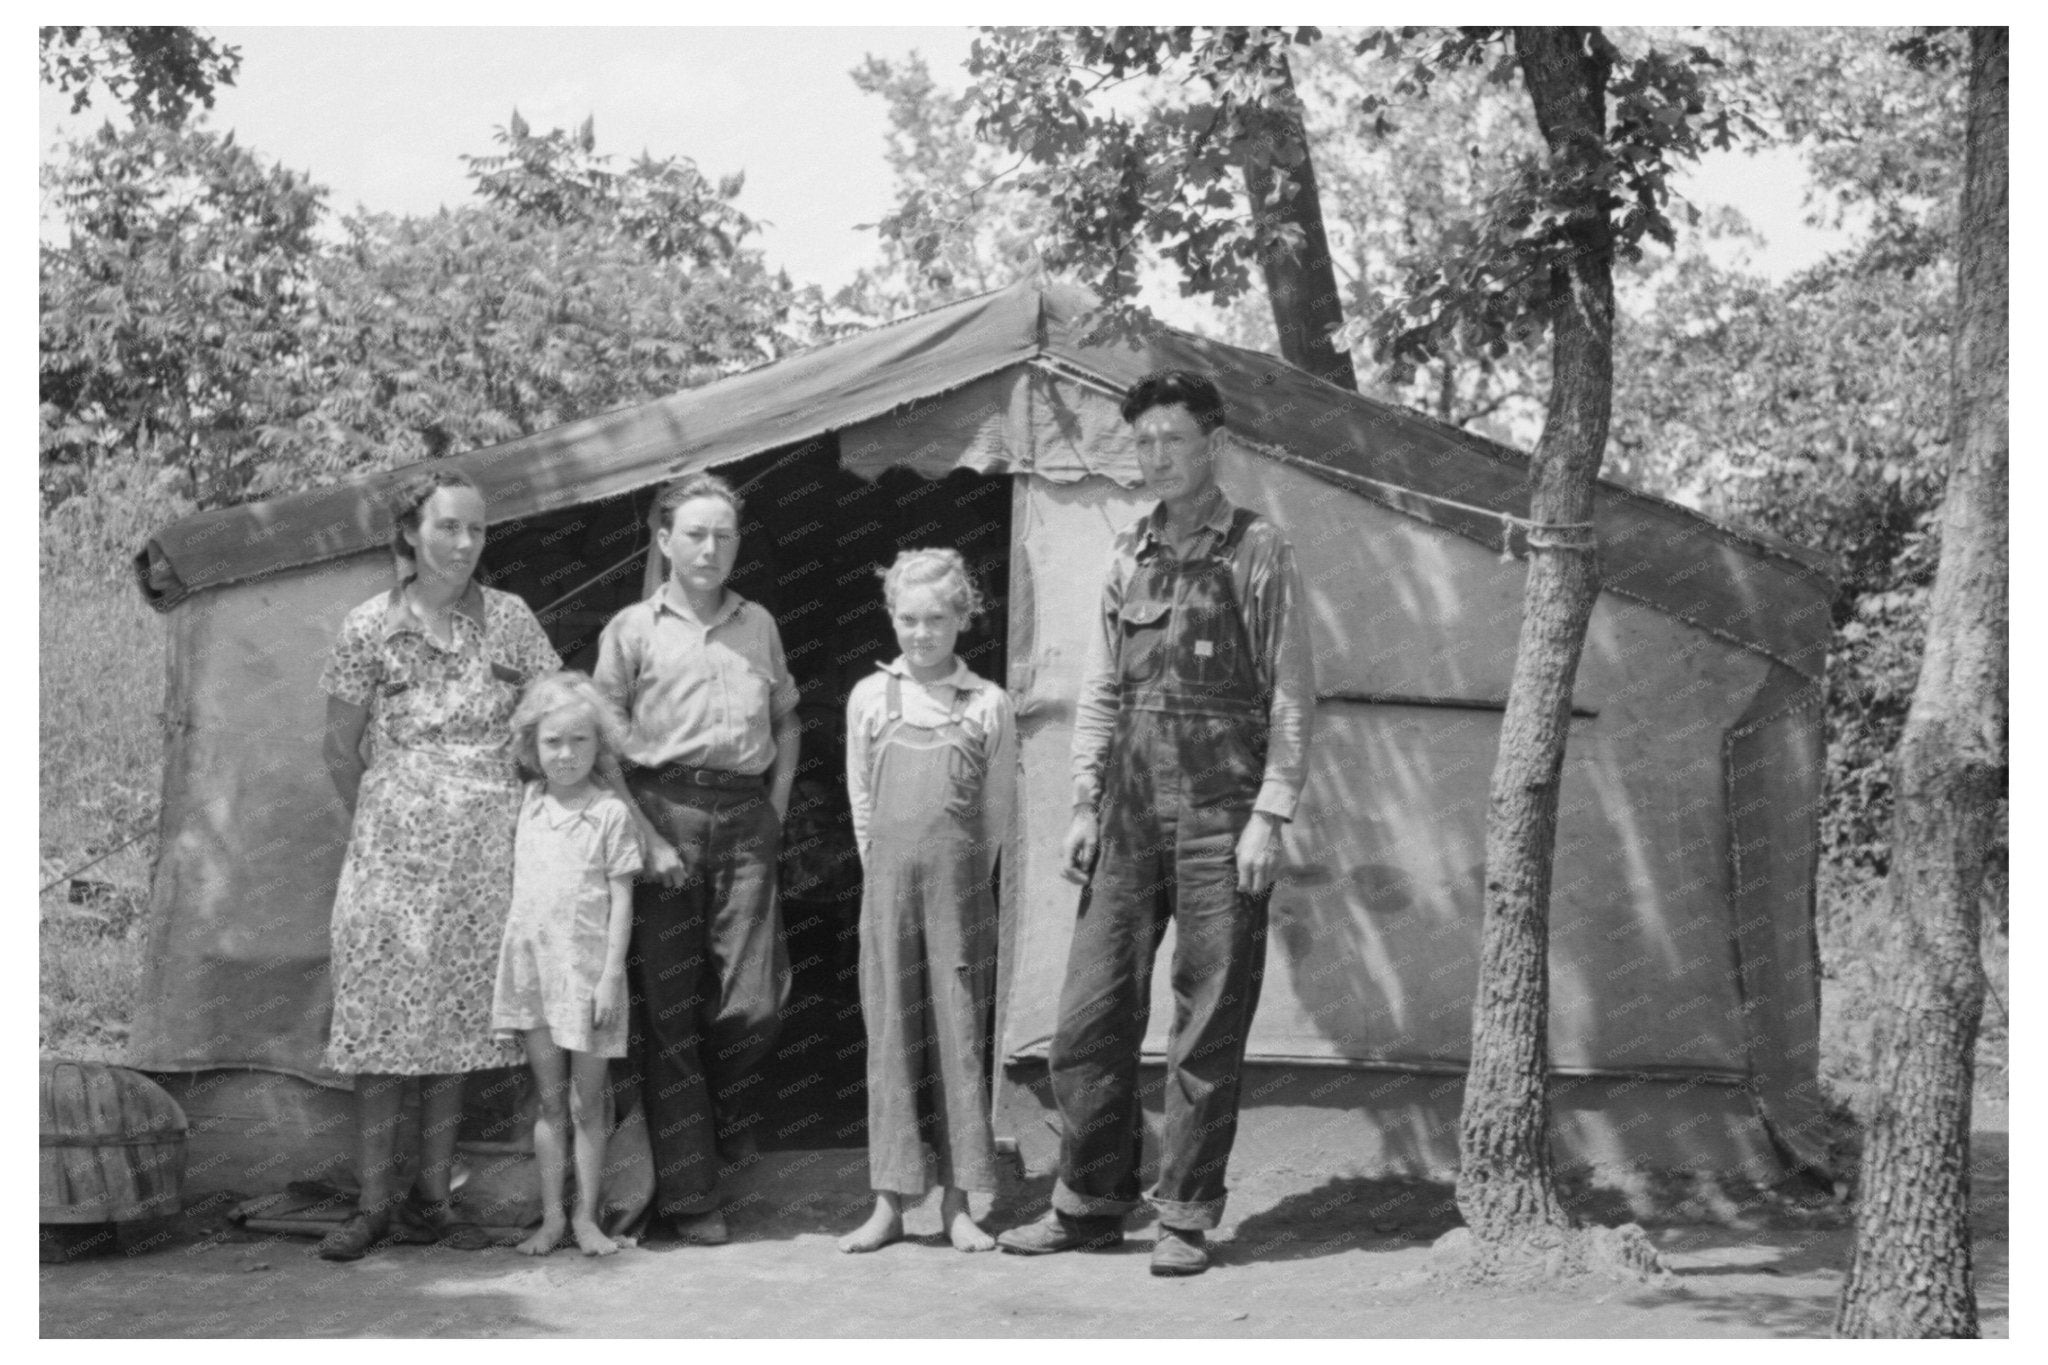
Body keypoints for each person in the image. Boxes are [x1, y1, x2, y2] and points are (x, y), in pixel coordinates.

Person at [996, 369, 1315, 1277]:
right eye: (1143, 441)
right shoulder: (1126, 553)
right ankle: (1089, 1202)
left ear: (1214, 445)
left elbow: (1293, 693)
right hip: (1129, 815)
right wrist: (1083, 804)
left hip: (1223, 817)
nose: (1156, 456)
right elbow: (1101, 688)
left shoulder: (1261, 551)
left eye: (1172, 439)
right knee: (1089, 1015)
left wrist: (1270, 814)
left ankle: (1184, 1215)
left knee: (1207, 1022)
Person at [316, 467, 564, 1261]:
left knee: (453, 1034)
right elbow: (336, 747)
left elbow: (557, 711)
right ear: (410, 534)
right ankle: (372, 1204)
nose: (464, 543)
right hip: (391, 862)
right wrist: (396, 812)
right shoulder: (368, 627)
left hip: (484, 859)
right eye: (449, 527)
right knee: (380, 1033)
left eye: (478, 529)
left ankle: (432, 1200)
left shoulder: (511, 620)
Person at [594, 473, 799, 1247]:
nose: (711, 549)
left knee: (755, 1001)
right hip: (661, 809)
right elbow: (602, 739)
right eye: (697, 534)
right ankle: (690, 1197)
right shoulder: (632, 629)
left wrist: (773, 811)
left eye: (725, 535)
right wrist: (643, 836)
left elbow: (789, 718)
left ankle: (718, 1121)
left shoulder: (760, 625)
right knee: (671, 1014)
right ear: (666, 541)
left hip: (745, 815)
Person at [837, 549, 1016, 1255]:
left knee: (958, 1040)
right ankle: (888, 1200)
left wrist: (962, 883)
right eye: (907, 618)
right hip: (888, 898)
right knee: (890, 1038)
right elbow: (860, 802)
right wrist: (887, 876)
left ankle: (960, 1203)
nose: (921, 632)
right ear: (891, 617)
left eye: (936, 618)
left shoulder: (987, 703)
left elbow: (999, 815)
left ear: (962, 618)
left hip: (959, 900)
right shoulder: (868, 699)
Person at [490, 671, 643, 1257]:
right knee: (550, 1102)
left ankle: (587, 1219)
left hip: (588, 979)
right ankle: (551, 1218)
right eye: (553, 741)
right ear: (533, 746)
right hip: (534, 974)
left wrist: (609, 977)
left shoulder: (608, 813)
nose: (566, 753)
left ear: (599, 746)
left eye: (580, 741)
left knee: (587, 1102)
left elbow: (623, 899)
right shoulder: (528, 803)